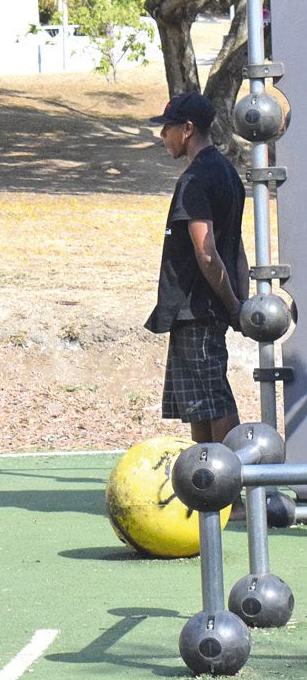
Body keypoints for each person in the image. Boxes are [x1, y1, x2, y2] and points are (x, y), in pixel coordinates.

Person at [144, 92, 249, 445]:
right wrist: (238, 300)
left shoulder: (196, 180)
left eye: (167, 128)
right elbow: (237, 246)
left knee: (215, 401)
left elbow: (207, 252)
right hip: (202, 308)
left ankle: (235, 497)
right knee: (199, 406)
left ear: (187, 129)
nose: (163, 136)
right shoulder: (227, 174)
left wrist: (234, 305)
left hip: (198, 308)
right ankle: (207, 493)